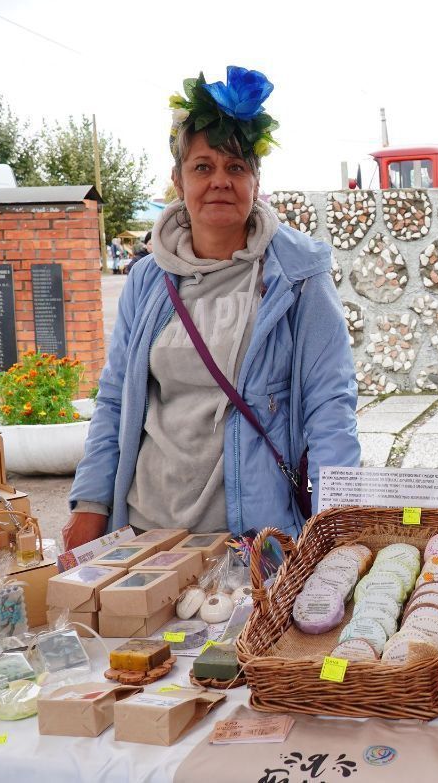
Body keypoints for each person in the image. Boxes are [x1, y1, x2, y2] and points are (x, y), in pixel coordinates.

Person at [64, 65, 360, 548]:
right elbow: (115, 400)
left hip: (253, 537)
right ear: (178, 180)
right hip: (147, 529)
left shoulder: (298, 277)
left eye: (235, 167)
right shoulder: (147, 278)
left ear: (256, 182)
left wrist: (333, 522)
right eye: (203, 167)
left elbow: (330, 405)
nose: (219, 181)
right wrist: (91, 504)